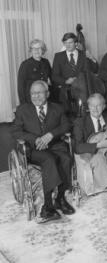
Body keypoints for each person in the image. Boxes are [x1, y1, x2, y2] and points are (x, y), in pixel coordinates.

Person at [12, 80, 74, 223]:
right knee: (49, 160)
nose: (35, 96)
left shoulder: (57, 108)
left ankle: (60, 199)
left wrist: (51, 135)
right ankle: (47, 206)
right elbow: (15, 130)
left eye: (39, 93)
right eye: (33, 93)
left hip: (55, 146)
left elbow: (66, 125)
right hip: (34, 149)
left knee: (66, 158)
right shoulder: (22, 110)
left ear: (47, 93)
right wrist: (35, 139)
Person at [52, 32, 98, 114]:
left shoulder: (83, 54)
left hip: (83, 92)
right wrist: (66, 81)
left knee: (84, 114)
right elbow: (54, 76)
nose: (67, 45)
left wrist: (91, 57)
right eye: (65, 43)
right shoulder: (58, 56)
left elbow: (95, 69)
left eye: (70, 42)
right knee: (68, 116)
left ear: (76, 43)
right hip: (66, 92)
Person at [17, 39, 52, 104]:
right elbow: (21, 87)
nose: (36, 51)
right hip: (31, 100)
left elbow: (51, 79)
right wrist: (24, 104)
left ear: (43, 50)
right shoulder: (25, 64)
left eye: (39, 48)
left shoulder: (46, 62)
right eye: (34, 48)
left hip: (45, 99)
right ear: (31, 50)